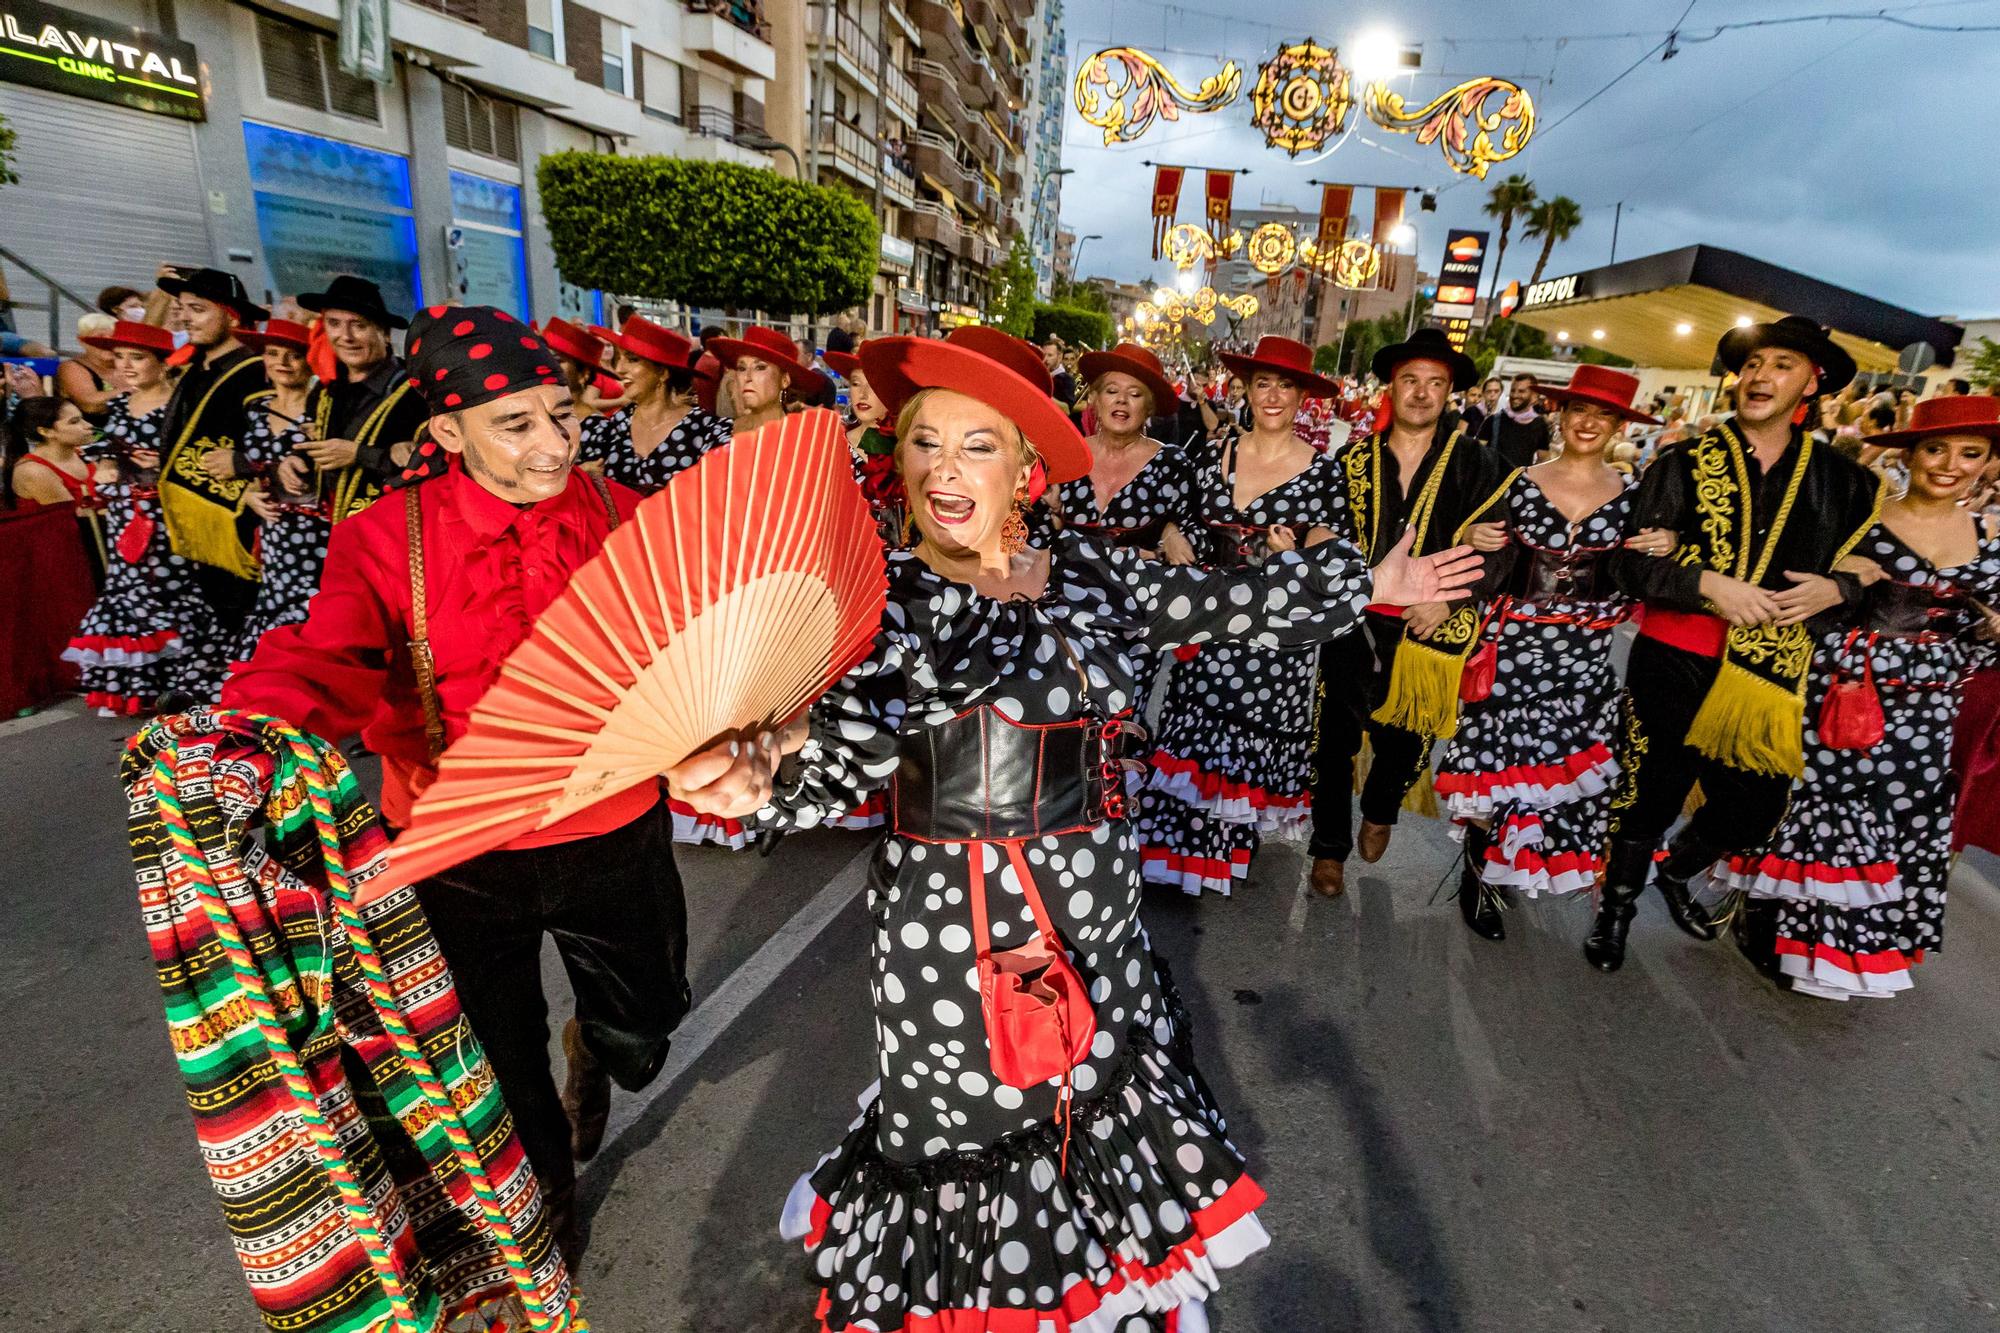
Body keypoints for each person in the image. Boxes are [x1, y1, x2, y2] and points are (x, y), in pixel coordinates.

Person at [662, 333, 1480, 1332]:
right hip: (948, 931)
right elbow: (841, 740)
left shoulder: (1084, 572)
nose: (944, 470)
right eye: (924, 444)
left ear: (1024, 467)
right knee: (971, 1130)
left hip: (1091, 910)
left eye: (975, 445)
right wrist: (761, 768)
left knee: (1092, 1100)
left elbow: (1213, 601)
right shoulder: (875, 605)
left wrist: (1369, 586)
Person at [220, 305, 692, 1269]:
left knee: (646, 1022)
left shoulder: (625, 514)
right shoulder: (380, 537)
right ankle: (548, 1204)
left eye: (562, 414)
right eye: (517, 424)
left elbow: (691, 639)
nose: (555, 443)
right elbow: (326, 661)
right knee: (497, 1059)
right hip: (452, 842)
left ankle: (596, 1045)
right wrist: (252, 735)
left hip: (611, 822)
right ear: (447, 433)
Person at [1586, 315, 1880, 973]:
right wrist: (1706, 581)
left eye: (1780, 364)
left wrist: (1839, 588)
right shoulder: (1683, 462)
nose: (1759, 376)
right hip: (1674, 652)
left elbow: (1874, 576)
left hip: (1769, 675)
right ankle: (1614, 916)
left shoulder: (1850, 483)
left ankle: (1677, 866)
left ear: (1814, 380)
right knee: (1649, 791)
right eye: (1753, 364)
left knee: (1756, 807)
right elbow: (1631, 567)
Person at [1720, 396, 2000, 997]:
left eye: (1970, 454)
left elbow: (1985, 647)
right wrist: (1837, 585)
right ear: (1912, 454)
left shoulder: (1989, 538)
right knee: (1821, 807)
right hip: (1846, 690)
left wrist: (1988, 625)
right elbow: (1794, 595)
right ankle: (1769, 922)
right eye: (1935, 449)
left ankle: (1839, 950)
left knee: (1892, 821)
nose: (1950, 464)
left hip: (1930, 708)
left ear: (1988, 464)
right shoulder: (1860, 521)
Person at [1435, 368, 1672, 938]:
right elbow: (1474, 547)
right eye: (1579, 411)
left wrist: (1670, 542)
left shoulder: (1635, 497)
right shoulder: (1514, 482)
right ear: (1560, 415)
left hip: (1585, 655)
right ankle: (1479, 877)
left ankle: (1513, 864)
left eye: (1605, 415)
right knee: (1499, 767)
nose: (1589, 423)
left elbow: (1642, 568)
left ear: (1619, 425)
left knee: (1555, 772)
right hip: (1512, 645)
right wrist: (1469, 540)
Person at [1137, 335, 1349, 895]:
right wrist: (1170, 533)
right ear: (1246, 390)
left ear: (1304, 396)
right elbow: (1171, 513)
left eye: (1285, 385)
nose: (1273, 395)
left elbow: (1329, 563)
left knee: (1246, 737)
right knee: (1194, 724)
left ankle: (1228, 842)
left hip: (1276, 635)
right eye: (1263, 383)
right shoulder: (1213, 452)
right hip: (1209, 617)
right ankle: (1180, 853)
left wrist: (1293, 556)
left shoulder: (1324, 472)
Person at [1306, 327, 1503, 897]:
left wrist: (1448, 599)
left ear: (1449, 393)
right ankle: (1327, 851)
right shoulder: (1353, 459)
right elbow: (1325, 531)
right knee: (1334, 739)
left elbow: (1504, 548)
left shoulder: (1479, 464)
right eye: (1410, 380)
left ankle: (1381, 808)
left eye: (1434, 383)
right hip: (1356, 617)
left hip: (1430, 625)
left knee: (1406, 740)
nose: (1421, 393)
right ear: (1391, 387)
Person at [64, 320, 222, 714]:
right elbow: (105, 450)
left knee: (177, 591)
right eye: (119, 358)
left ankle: (190, 680)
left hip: (171, 514)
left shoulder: (183, 407)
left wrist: (165, 465)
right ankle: (141, 689)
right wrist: (104, 464)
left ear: (164, 363)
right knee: (130, 591)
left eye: (138, 357)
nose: (127, 366)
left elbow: (203, 459)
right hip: (125, 515)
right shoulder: (116, 405)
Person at [153, 267, 269, 669]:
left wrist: (245, 464)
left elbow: (285, 439)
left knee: (250, 613)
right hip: (203, 519)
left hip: (242, 520)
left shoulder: (257, 370)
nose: (185, 318)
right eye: (182, 309)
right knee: (219, 611)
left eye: (197, 309)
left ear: (232, 315)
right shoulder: (196, 367)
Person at [278, 274, 428, 525]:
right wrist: (296, 461)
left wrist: (360, 454)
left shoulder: (416, 392)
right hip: (336, 533)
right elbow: (320, 443)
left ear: (385, 333)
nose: (345, 336)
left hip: (395, 533)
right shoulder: (325, 391)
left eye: (358, 325)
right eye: (334, 324)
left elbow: (434, 467)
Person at [231, 319, 325, 660]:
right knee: (275, 605)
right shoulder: (254, 408)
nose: (282, 363)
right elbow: (232, 465)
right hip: (272, 532)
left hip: (319, 531)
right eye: (272, 354)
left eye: (293, 355)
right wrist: (247, 494)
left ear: (310, 360)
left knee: (316, 609)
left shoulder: (325, 406)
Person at [580, 315, 732, 493]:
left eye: (632, 359)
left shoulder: (707, 432)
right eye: (618, 358)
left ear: (663, 373)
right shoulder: (607, 430)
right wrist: (581, 475)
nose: (620, 369)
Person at [708, 325, 826, 434]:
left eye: (760, 367)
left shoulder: (803, 438)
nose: (747, 377)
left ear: (785, 380)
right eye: (741, 368)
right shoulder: (719, 435)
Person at [1469, 371, 1552, 471]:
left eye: (1521, 391)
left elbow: (1543, 458)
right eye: (1513, 390)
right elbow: (1476, 454)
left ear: (1534, 396)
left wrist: (1529, 478)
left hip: (1519, 483)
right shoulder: (1494, 421)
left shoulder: (1540, 425)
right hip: (1493, 483)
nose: (1515, 395)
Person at [57, 312, 120, 422]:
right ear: (82, 341)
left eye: (114, 337)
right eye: (99, 338)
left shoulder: (128, 365)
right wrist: (137, 391)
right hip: (94, 433)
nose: (107, 343)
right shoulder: (71, 367)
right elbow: (90, 405)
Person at [1042, 332, 1077, 411]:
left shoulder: (1067, 379)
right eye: (1044, 355)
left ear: (1059, 356)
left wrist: (1044, 396)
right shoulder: (1039, 374)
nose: (1045, 359)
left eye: (1050, 355)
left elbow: (1067, 409)